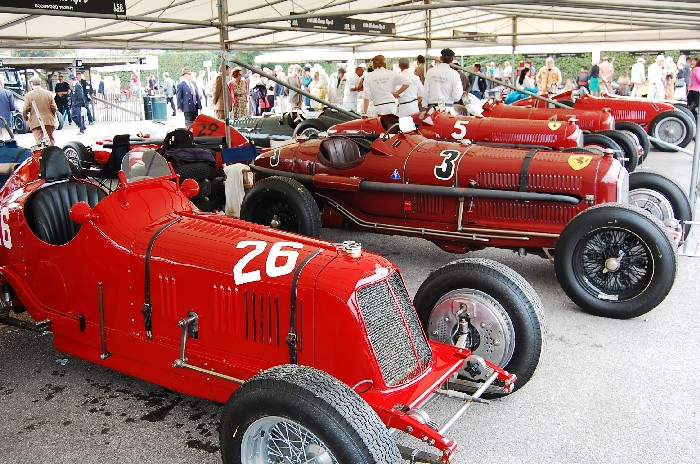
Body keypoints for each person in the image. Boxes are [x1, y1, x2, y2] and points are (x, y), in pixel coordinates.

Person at [423, 48, 463, 113]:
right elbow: (457, 96)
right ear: (452, 60)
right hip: (448, 109)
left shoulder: (430, 72)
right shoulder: (455, 74)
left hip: (433, 109)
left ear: (441, 58)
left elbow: (425, 91)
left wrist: (424, 105)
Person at [22, 76, 57, 145]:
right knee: (50, 140)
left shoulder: (28, 95)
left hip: (36, 122)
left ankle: (42, 154)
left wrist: (26, 118)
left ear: (32, 84)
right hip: (48, 120)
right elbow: (54, 107)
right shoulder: (48, 93)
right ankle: (52, 154)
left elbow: (25, 109)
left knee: (39, 142)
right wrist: (52, 115)